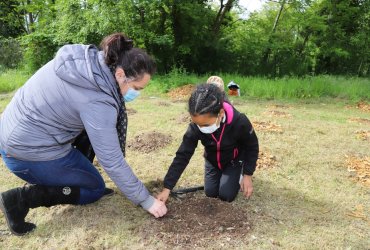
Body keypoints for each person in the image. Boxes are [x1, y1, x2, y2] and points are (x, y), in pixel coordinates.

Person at [0, 33, 167, 236]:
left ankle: (78, 177)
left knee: (94, 136)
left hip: (17, 134)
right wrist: (146, 200)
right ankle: (20, 199)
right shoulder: (98, 99)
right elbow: (111, 160)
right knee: (95, 188)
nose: (136, 94)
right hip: (27, 155)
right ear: (121, 74)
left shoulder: (87, 63)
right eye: (136, 88)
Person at [157, 84, 259, 203]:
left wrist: (248, 174)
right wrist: (167, 187)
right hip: (212, 160)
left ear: (220, 114)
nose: (201, 128)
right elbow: (183, 155)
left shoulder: (239, 121)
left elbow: (252, 147)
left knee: (226, 195)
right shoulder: (195, 127)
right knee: (210, 193)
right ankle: (220, 174)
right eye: (197, 124)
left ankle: (238, 172)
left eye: (205, 125)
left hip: (233, 160)